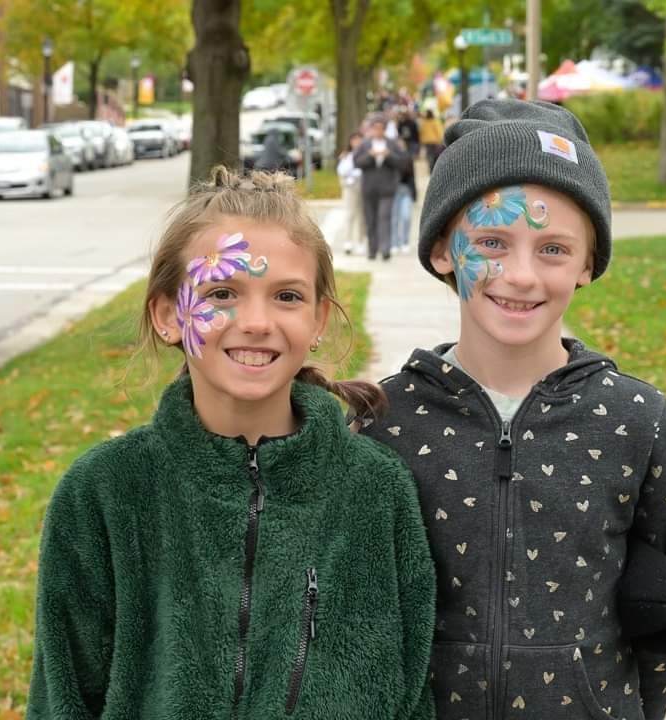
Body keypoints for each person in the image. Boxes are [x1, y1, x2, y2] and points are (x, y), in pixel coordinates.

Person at [25, 167, 437, 719]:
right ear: (169, 314)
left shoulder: (376, 490)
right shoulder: (102, 493)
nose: (257, 321)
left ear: (318, 319)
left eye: (286, 296)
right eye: (222, 292)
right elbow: (62, 700)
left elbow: (410, 696)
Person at [359, 100, 666, 720]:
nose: (520, 276)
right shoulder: (383, 421)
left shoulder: (637, 419)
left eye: (553, 249)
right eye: (492, 242)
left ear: (588, 264)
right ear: (443, 249)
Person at [354, 114, 409, 261]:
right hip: (369, 188)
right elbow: (356, 162)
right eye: (375, 128)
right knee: (370, 219)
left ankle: (385, 249)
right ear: (372, 129)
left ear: (384, 129)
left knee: (384, 217)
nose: (378, 131)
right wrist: (370, 156)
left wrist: (389, 155)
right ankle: (372, 249)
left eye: (381, 128)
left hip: (387, 188)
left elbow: (403, 163)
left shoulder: (392, 144)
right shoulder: (365, 144)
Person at [337, 131, 367, 255]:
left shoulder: (366, 154)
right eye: (354, 140)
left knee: (362, 216)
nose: (356, 143)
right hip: (350, 187)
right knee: (350, 214)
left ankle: (361, 241)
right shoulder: (347, 155)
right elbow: (341, 170)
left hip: (363, 185)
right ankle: (348, 241)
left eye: (359, 140)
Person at [390, 143, 417, 254]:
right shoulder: (390, 158)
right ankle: (395, 243)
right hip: (393, 190)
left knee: (406, 216)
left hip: (406, 189)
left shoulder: (407, 157)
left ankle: (405, 242)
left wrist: (414, 193)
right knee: (394, 218)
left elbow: (411, 175)